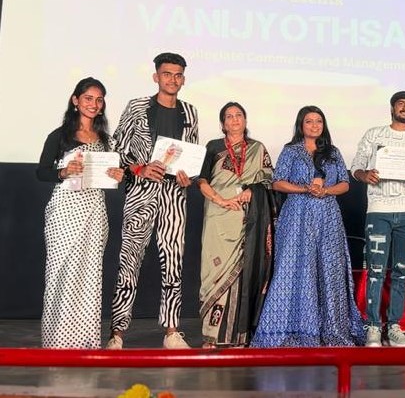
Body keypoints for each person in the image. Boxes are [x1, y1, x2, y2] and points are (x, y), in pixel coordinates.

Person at [106, 52, 199, 350]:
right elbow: (116, 149)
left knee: (174, 261)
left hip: (174, 195)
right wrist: (139, 168)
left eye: (178, 75)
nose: (173, 79)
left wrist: (188, 177)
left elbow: (191, 156)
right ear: (156, 76)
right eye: (167, 74)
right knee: (129, 260)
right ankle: (117, 333)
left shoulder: (190, 112)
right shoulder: (137, 107)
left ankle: (172, 331)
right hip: (141, 192)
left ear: (183, 79)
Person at [251, 106, 365, 347]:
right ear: (301, 125)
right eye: (309, 121)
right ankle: (293, 330)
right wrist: (305, 188)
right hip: (297, 216)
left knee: (329, 270)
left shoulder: (332, 152)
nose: (314, 125)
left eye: (318, 121)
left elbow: (345, 184)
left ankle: (332, 329)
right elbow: (277, 183)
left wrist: (325, 191)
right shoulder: (290, 151)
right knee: (295, 269)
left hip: (328, 217)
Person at [36, 77, 124, 348]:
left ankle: (85, 342)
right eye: (88, 98)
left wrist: (118, 175)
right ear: (75, 100)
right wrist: (63, 171)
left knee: (89, 276)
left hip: (94, 211)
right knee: (61, 273)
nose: (94, 104)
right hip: (65, 211)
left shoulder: (106, 140)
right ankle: (57, 341)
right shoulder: (60, 135)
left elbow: (112, 175)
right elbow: (42, 172)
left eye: (99, 100)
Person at [350, 91, 405, 347]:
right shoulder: (374, 135)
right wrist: (365, 175)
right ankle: (373, 327)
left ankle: (395, 326)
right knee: (375, 270)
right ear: (392, 108)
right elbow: (356, 167)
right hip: (378, 210)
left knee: (401, 271)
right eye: (401, 104)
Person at [198, 102, 274, 347]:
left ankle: (239, 335)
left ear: (245, 120)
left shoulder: (257, 148)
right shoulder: (213, 147)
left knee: (244, 273)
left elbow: (269, 180)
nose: (234, 120)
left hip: (247, 218)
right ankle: (212, 335)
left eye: (238, 115)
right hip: (218, 215)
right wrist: (220, 200)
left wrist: (253, 190)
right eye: (228, 116)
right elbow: (201, 181)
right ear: (222, 124)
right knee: (214, 272)